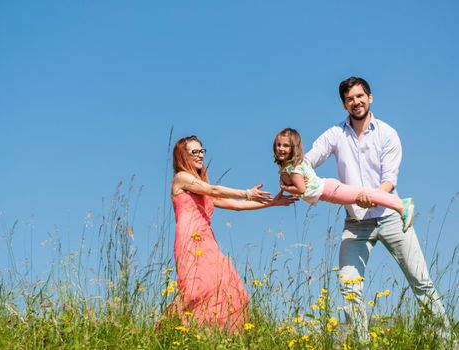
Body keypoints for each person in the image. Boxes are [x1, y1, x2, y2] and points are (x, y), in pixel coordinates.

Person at [304, 77, 452, 342]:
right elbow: (311, 157)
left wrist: (374, 198)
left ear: (370, 98)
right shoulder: (335, 135)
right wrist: (293, 168)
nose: (356, 102)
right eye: (350, 99)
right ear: (343, 104)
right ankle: (362, 344)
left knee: (421, 281)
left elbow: (389, 180)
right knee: (349, 285)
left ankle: (449, 342)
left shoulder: (387, 133)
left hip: (390, 217)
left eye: (360, 96)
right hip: (356, 223)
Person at [168, 135, 296, 332]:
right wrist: (246, 192)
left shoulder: (202, 192)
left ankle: (207, 334)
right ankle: (167, 330)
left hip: (208, 243)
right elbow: (215, 189)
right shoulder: (181, 178)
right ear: (182, 156)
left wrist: (271, 203)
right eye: (195, 152)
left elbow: (236, 206)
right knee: (195, 291)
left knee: (226, 287)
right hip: (189, 242)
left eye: (202, 150)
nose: (200, 155)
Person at [274, 127, 415, 232]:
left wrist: (285, 188)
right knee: (362, 193)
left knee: (363, 194)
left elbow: (301, 189)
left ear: (294, 149)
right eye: (279, 145)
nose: (281, 148)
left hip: (329, 191)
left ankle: (400, 205)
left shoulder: (294, 169)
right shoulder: (289, 166)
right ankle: (399, 204)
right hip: (328, 191)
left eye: (286, 146)